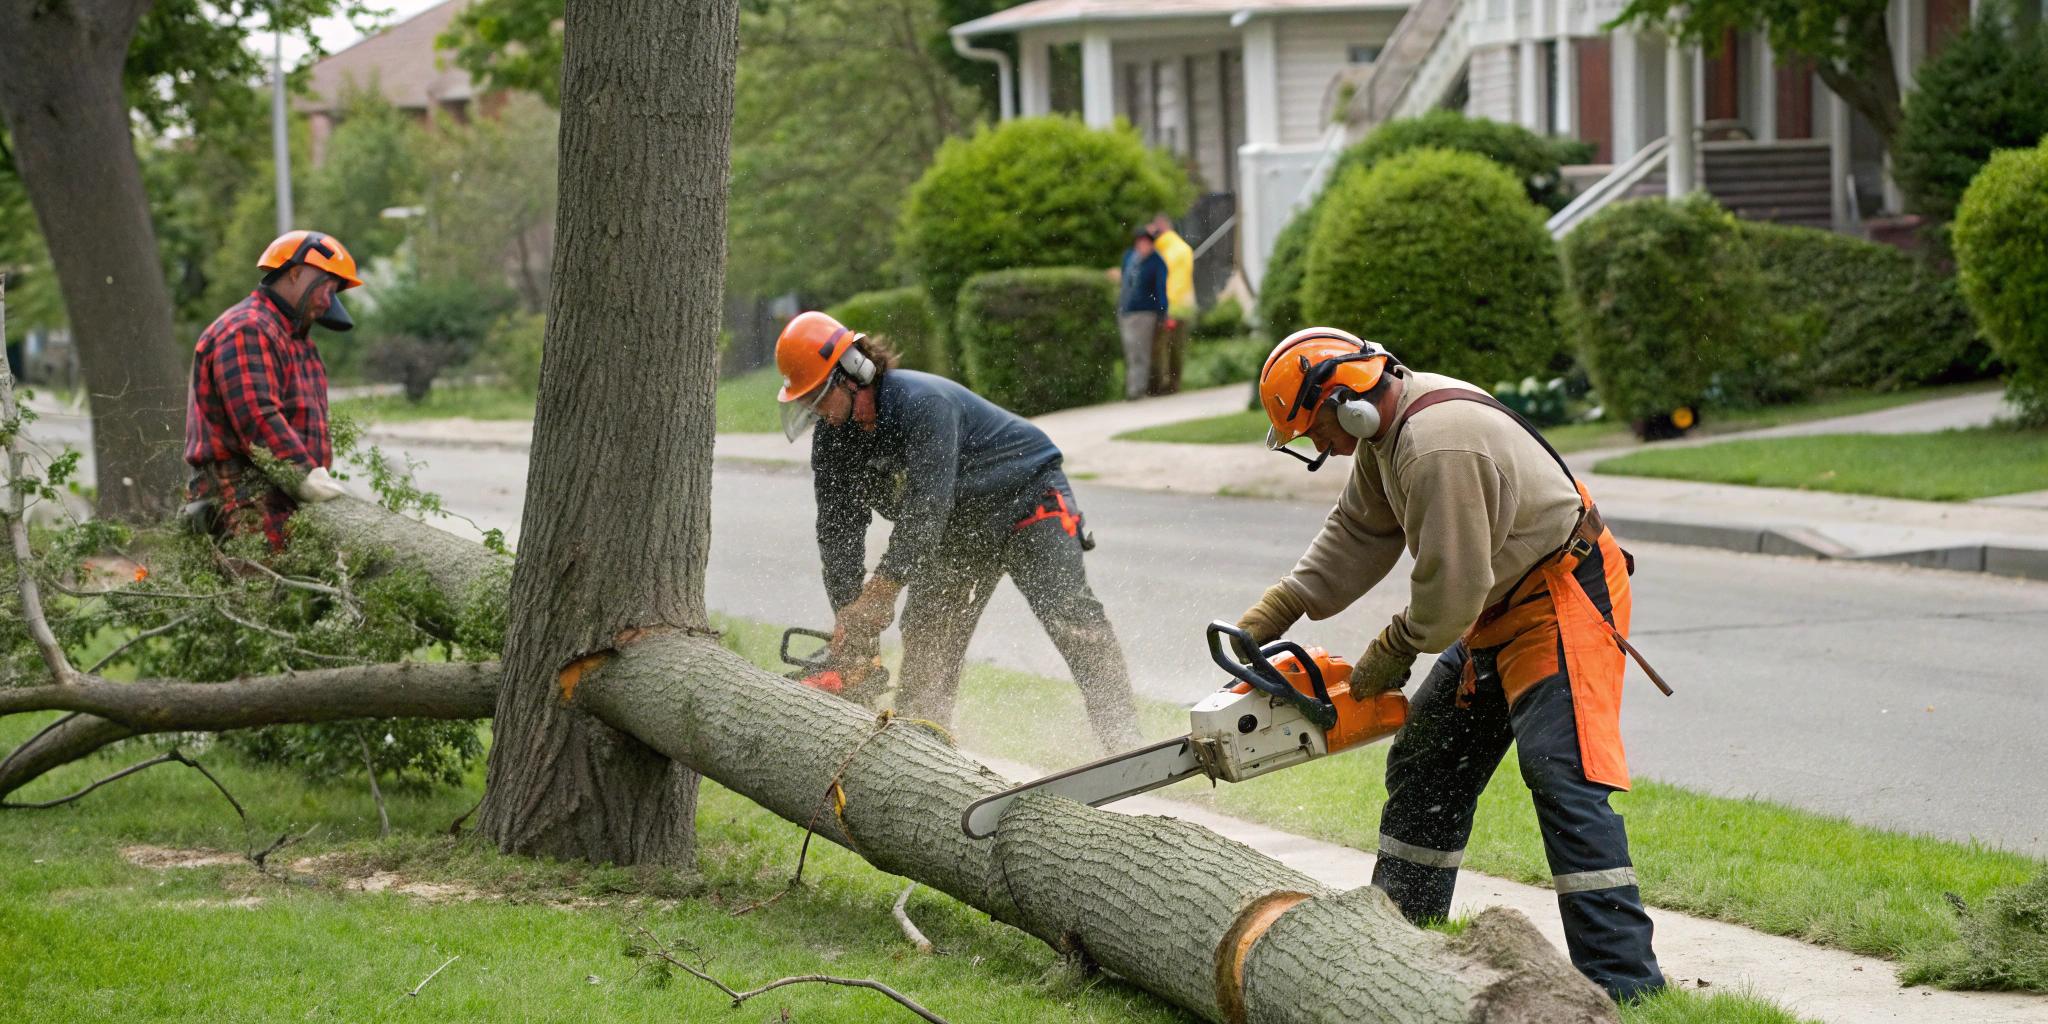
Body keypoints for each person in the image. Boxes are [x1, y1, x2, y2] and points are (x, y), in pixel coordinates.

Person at [1234, 326, 1670, 1001]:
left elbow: (1451, 588)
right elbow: (1358, 532)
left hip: (1560, 596)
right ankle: (1405, 941)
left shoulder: (1438, 445)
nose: (1321, 446)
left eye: (1316, 430)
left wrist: (1395, 646)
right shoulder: (1385, 438)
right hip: (1496, 602)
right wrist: (1280, 607)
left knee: (1562, 773)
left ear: (1347, 400)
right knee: (1428, 759)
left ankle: (1625, 983)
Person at [776, 310, 1144, 753]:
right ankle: (922, 749)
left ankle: (1124, 744)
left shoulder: (922, 403)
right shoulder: (835, 440)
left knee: (1071, 617)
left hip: (1028, 498)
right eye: (807, 404)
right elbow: (837, 532)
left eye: (819, 398)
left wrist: (882, 590)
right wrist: (851, 619)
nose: (817, 413)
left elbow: (926, 507)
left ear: (853, 372)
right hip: (957, 529)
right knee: (927, 634)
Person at [183, 230, 360, 549]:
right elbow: (258, 418)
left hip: (282, 494)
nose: (327, 301)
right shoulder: (248, 329)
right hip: (243, 498)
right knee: (259, 580)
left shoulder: (296, 340)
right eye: (326, 287)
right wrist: (302, 475)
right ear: (295, 273)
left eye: (334, 293)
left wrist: (312, 479)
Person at [1116, 229, 1167, 401]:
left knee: (1141, 352)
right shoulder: (1130, 258)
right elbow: (1125, 283)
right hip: (1127, 311)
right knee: (1131, 352)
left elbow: (1160, 289)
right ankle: (1132, 388)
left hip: (1145, 312)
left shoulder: (1157, 262)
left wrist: (1162, 311)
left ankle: (1137, 389)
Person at [1148, 213, 1196, 396]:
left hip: (1169, 306)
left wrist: (1165, 307)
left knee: (1161, 349)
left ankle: (1161, 385)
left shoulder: (1163, 251)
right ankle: (1174, 384)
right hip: (1183, 306)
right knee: (1176, 348)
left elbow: (1169, 282)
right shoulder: (1183, 248)